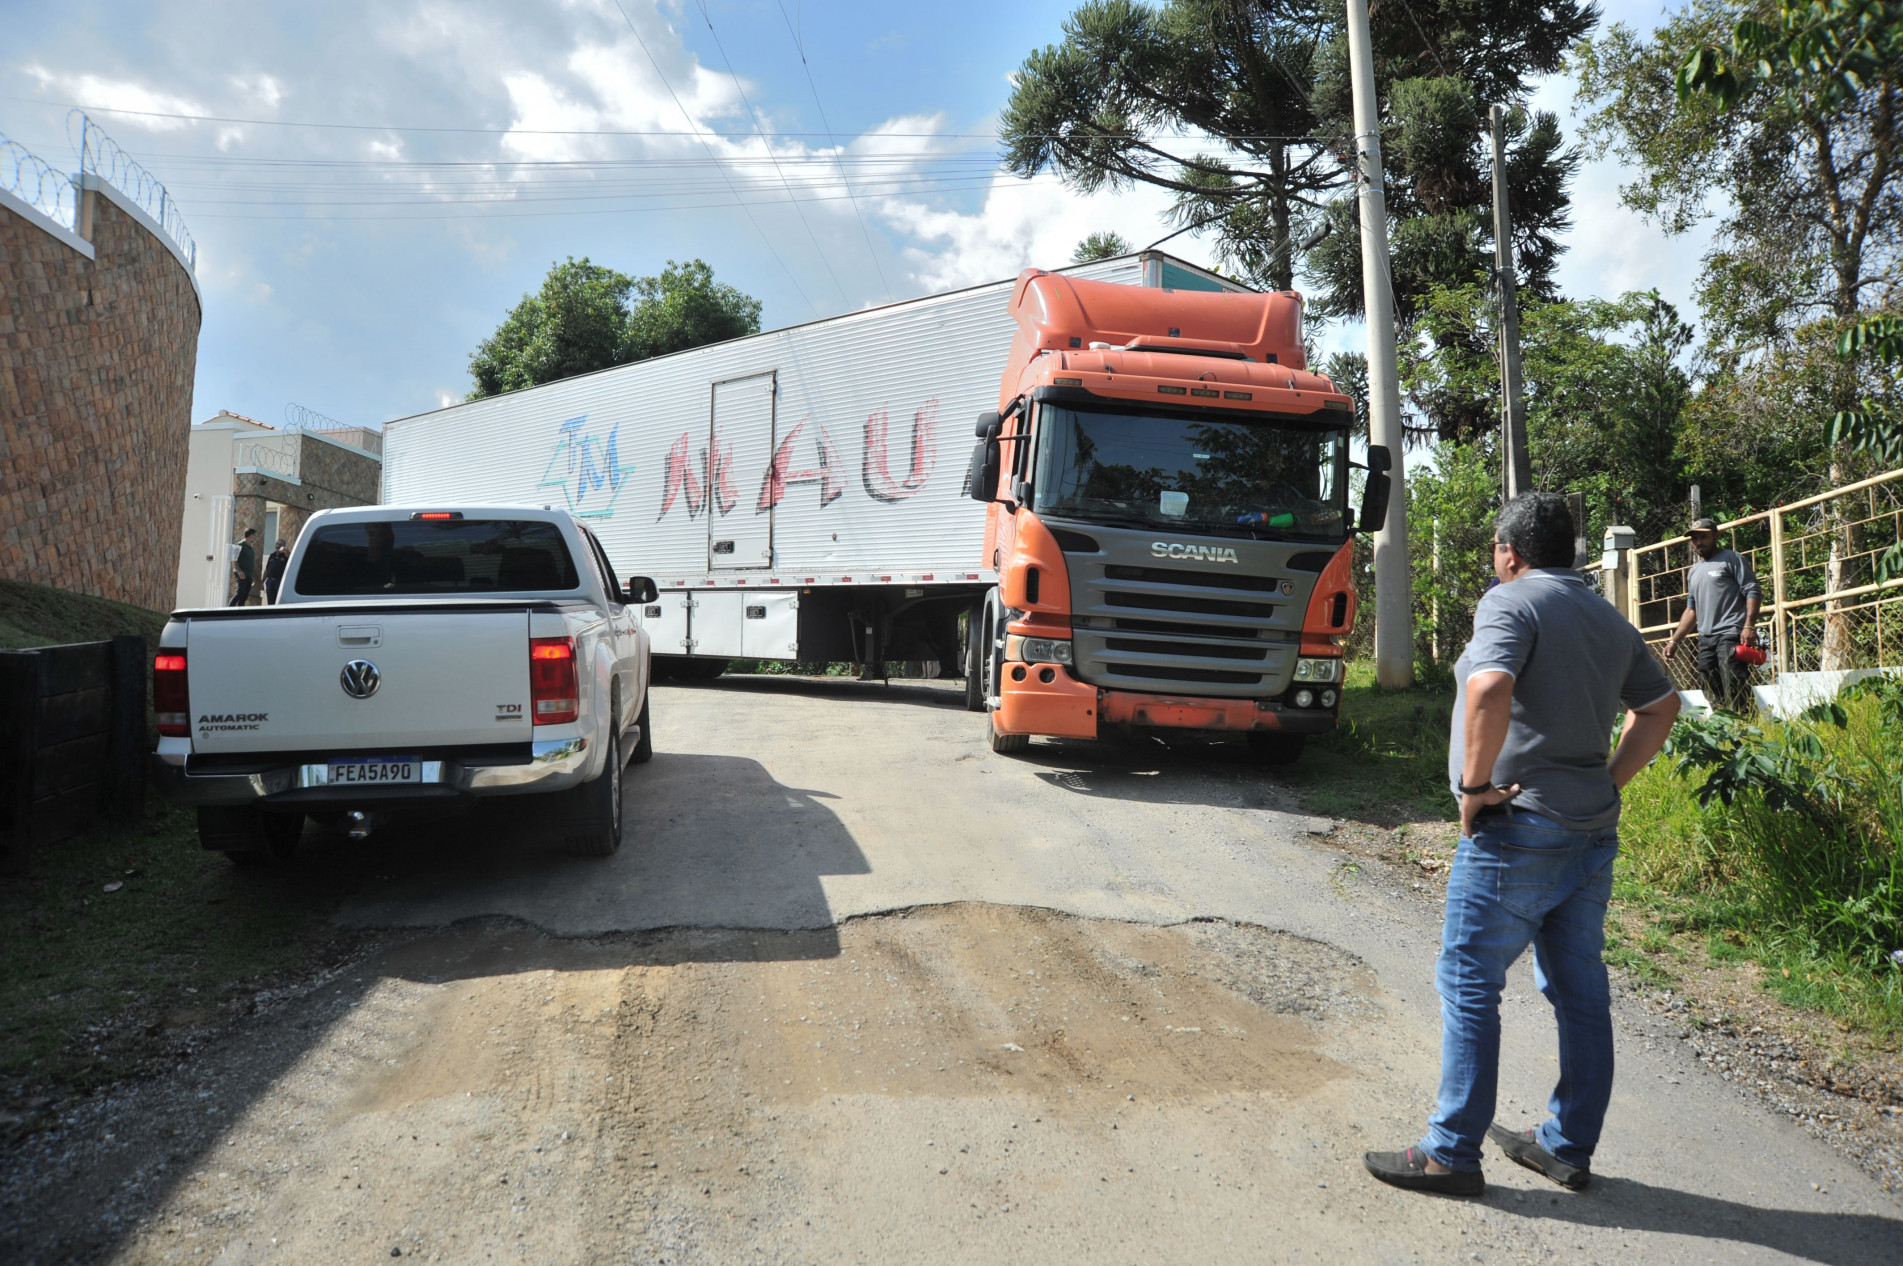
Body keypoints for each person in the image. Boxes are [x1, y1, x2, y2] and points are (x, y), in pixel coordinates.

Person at [1364, 492, 1681, 1197]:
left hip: (1517, 827)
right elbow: (1661, 707)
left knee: (1468, 979)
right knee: (1579, 990)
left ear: (1508, 551)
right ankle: (1566, 1144)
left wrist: (1473, 787)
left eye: (1495, 549)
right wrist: (1607, 781)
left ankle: (1451, 1153)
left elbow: (1487, 689)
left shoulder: (1509, 601)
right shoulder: (1608, 618)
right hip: (1588, 831)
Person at [1662, 518, 1762, 711]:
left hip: (1731, 633)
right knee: (1708, 683)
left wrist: (1749, 625)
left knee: (1734, 684)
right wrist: (1674, 641)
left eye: (1703, 537)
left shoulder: (1732, 559)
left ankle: (1747, 724)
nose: (1698, 542)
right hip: (1706, 638)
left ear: (1716, 536)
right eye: (1694, 538)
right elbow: (1692, 609)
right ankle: (1724, 723)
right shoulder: (1694, 571)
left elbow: (1752, 590)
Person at [230, 528, 259, 606]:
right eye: (254, 535)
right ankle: (228, 609)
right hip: (241, 573)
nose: (255, 537)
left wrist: (252, 576)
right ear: (251, 535)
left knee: (245, 595)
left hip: (249, 575)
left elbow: (251, 563)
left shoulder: (251, 548)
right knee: (240, 593)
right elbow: (233, 559)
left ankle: (240, 611)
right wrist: (239, 571)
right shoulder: (239, 545)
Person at [263, 538, 289, 604]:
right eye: (277, 544)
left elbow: (288, 554)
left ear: (283, 546)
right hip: (270, 582)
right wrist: (262, 581)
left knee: (279, 601)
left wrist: (284, 549)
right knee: (270, 602)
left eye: (280, 544)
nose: (278, 546)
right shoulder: (272, 555)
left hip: (279, 582)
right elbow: (267, 569)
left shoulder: (285, 555)